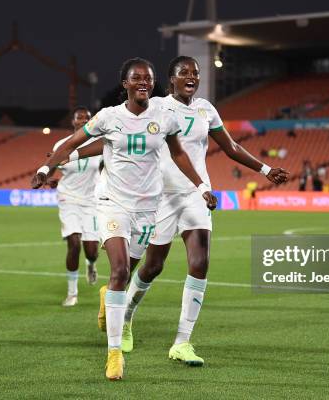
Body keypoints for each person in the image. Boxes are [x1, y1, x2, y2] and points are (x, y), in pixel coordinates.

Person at [76, 56, 289, 365]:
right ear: (171, 79)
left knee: (200, 261)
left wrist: (265, 168)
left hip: (195, 194)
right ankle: (124, 317)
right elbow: (114, 142)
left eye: (195, 73)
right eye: (184, 72)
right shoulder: (156, 106)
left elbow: (230, 147)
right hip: (158, 197)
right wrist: (72, 154)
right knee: (152, 266)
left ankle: (182, 342)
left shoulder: (206, 110)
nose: (191, 76)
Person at [32, 57, 216, 381]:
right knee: (119, 270)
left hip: (147, 208)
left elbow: (178, 154)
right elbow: (75, 142)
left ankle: (109, 298)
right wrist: (48, 167)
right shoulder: (109, 117)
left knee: (127, 272)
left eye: (148, 78)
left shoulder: (164, 117)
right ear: (125, 85)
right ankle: (114, 354)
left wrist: (201, 185)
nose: (143, 82)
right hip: (111, 203)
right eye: (136, 78)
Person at [47, 106, 102, 307]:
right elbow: (51, 167)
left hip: (91, 202)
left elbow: (107, 170)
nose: (82, 121)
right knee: (74, 243)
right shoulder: (61, 145)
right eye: (79, 118)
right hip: (68, 198)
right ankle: (72, 293)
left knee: (91, 251)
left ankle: (92, 264)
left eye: (86, 118)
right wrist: (50, 179)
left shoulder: (99, 145)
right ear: (73, 121)